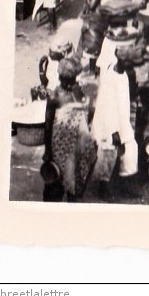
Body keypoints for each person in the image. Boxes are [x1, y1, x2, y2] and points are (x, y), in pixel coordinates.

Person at [91, 46, 144, 202]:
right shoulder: (109, 78)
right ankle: (103, 186)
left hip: (121, 120)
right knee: (109, 150)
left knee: (131, 148)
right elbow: (108, 107)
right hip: (107, 123)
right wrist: (114, 131)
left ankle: (125, 183)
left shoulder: (123, 75)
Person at [41, 57, 97, 202]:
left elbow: (87, 111)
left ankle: (71, 202)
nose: (70, 82)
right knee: (56, 178)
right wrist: (47, 151)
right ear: (60, 77)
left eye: (72, 79)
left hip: (75, 143)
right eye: (66, 79)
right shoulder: (54, 97)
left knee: (74, 175)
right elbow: (47, 125)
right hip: (59, 144)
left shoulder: (78, 92)